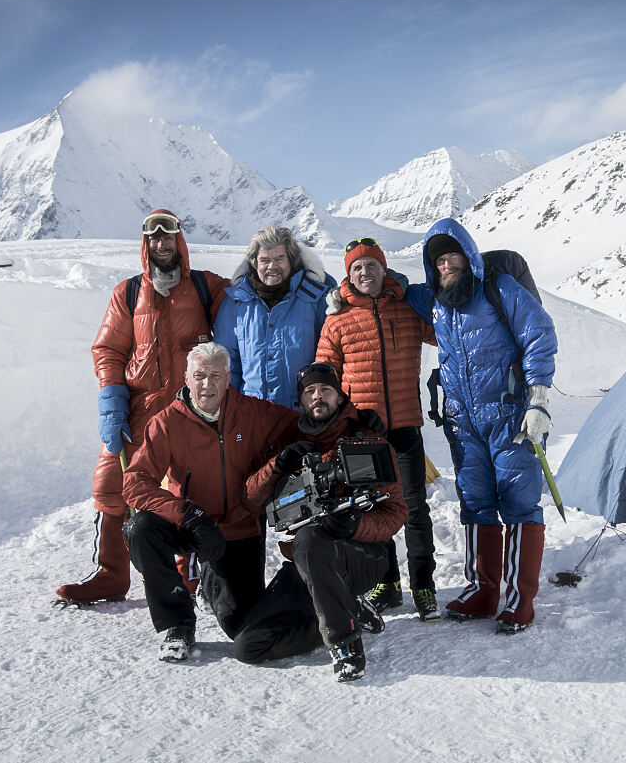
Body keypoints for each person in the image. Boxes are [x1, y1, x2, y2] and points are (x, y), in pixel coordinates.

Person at [54, 209, 230, 607]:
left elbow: (248, 308)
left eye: (169, 237)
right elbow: (108, 349)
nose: (162, 244)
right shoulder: (128, 293)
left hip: (189, 412)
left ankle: (187, 575)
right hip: (138, 410)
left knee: (183, 490)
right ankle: (111, 575)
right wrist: (112, 401)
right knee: (109, 487)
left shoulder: (206, 287)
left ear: (180, 242)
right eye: (154, 238)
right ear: (145, 244)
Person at [413, 218, 558, 635]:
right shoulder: (437, 300)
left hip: (511, 415)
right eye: (437, 260)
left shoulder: (498, 288)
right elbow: (394, 290)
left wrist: (539, 400)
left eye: (451, 255)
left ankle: (519, 599)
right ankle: (483, 590)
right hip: (463, 422)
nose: (445, 265)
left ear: (468, 255)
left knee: (519, 502)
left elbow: (539, 335)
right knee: (475, 501)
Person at [120, 343, 299, 661]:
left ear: (228, 378)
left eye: (215, 376)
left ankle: (305, 587)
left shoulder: (251, 412)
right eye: (199, 375)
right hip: (188, 525)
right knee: (139, 528)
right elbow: (135, 483)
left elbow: (307, 423)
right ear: (186, 378)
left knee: (241, 628)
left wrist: (356, 419)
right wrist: (187, 514)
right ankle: (177, 624)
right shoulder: (166, 423)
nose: (207, 384)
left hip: (238, 529)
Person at [237, 362, 407, 681]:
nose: (318, 396)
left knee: (311, 540)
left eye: (326, 389)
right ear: (300, 400)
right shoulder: (289, 441)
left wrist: (355, 526)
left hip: (361, 557)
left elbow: (397, 511)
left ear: (340, 396)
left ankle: (346, 644)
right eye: (310, 391)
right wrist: (279, 465)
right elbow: (250, 500)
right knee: (250, 646)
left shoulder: (366, 439)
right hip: (307, 564)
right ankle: (344, 608)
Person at [314, 237, 441, 621]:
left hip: (405, 427)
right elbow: (325, 374)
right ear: (348, 275)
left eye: (371, 265)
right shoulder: (337, 320)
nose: (365, 272)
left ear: (383, 269)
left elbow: (445, 333)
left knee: (415, 508)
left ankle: (424, 586)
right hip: (364, 437)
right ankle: (388, 582)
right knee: (375, 508)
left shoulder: (406, 309)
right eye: (357, 267)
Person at [213, 224, 337, 408]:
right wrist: (238, 405)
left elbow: (330, 357)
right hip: (254, 414)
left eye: (280, 258)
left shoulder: (315, 298)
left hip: (304, 413)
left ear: (291, 261)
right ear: (255, 263)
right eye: (265, 260)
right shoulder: (236, 302)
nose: (272, 266)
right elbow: (225, 360)